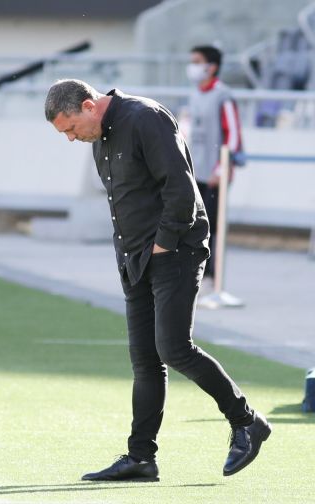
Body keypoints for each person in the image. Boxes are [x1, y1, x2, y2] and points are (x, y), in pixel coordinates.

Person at [44, 79, 270, 481]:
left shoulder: (146, 117)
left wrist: (162, 247)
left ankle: (246, 421)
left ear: (89, 105)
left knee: (174, 348)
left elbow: (181, 190)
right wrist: (128, 257)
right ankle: (141, 458)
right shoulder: (98, 136)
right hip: (135, 260)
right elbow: (122, 203)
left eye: (71, 128)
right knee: (145, 361)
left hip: (175, 250)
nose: (71, 138)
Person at [187, 45, 244, 284]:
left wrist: (221, 169)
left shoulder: (223, 95)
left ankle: (212, 275)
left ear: (212, 67)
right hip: (196, 171)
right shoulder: (194, 94)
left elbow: (233, 135)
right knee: (194, 224)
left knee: (212, 225)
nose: (192, 66)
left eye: (197, 61)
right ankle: (196, 272)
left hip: (214, 173)